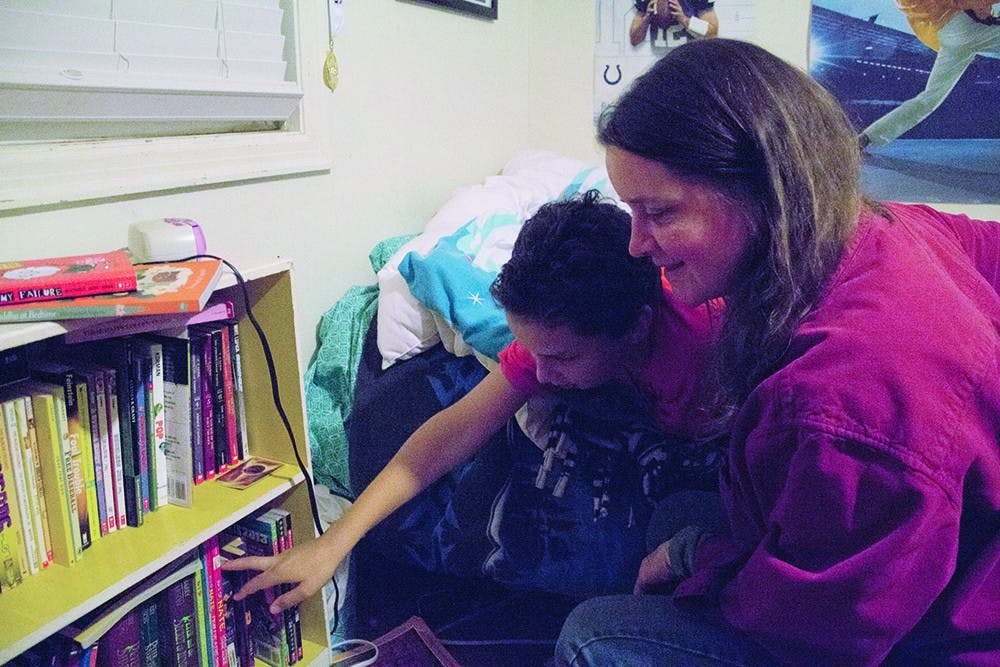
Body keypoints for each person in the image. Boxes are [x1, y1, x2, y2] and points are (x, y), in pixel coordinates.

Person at [555, 38, 1000, 665]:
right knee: (677, 512)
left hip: (934, 634)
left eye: (659, 212)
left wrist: (698, 561)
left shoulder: (845, 401)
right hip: (918, 562)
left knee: (594, 633)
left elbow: (820, 633)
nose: (636, 244)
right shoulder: (882, 225)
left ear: (766, 190)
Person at [221, 190, 721, 613]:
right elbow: (451, 433)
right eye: (533, 352)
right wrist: (333, 544)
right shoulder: (546, 349)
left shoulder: (712, 353)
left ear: (635, 330)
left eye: (562, 358)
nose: (541, 374)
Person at [859, 1, 1000, 150]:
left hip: (948, 35)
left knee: (929, 99)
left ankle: (868, 137)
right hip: (962, 28)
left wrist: (981, 10)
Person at [629, 0, 719, 48]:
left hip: (690, 61)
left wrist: (684, 19)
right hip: (660, 65)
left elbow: (712, 34)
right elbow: (634, 40)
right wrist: (647, 18)